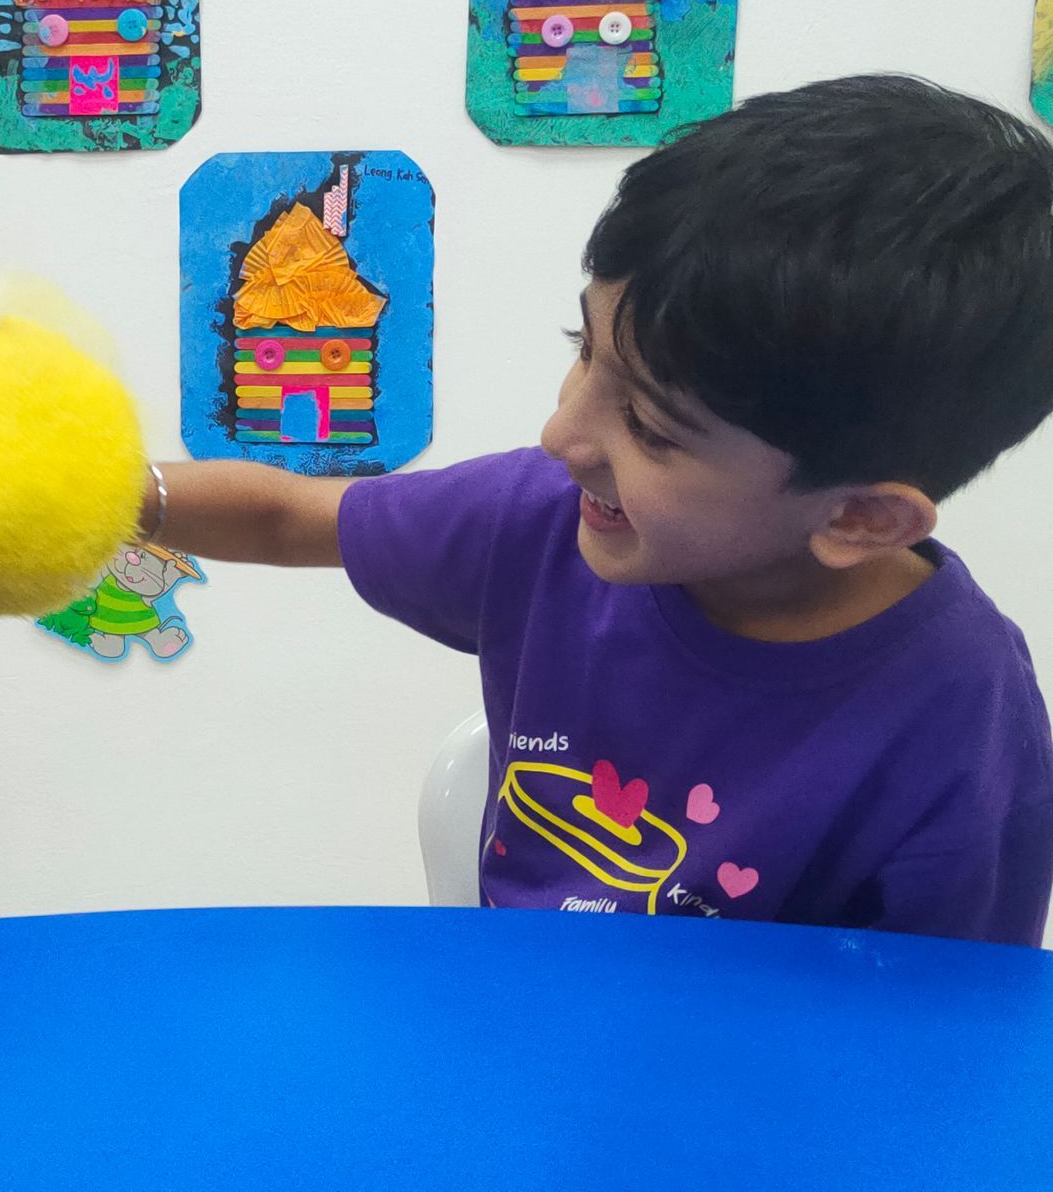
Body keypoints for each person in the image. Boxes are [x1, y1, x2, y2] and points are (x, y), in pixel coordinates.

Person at [143, 77, 1053, 943]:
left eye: (651, 427)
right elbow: (284, 517)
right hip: (521, 1049)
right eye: (585, 348)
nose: (561, 435)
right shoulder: (543, 517)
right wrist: (90, 495)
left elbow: (948, 1039)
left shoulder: (964, 719)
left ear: (860, 518)